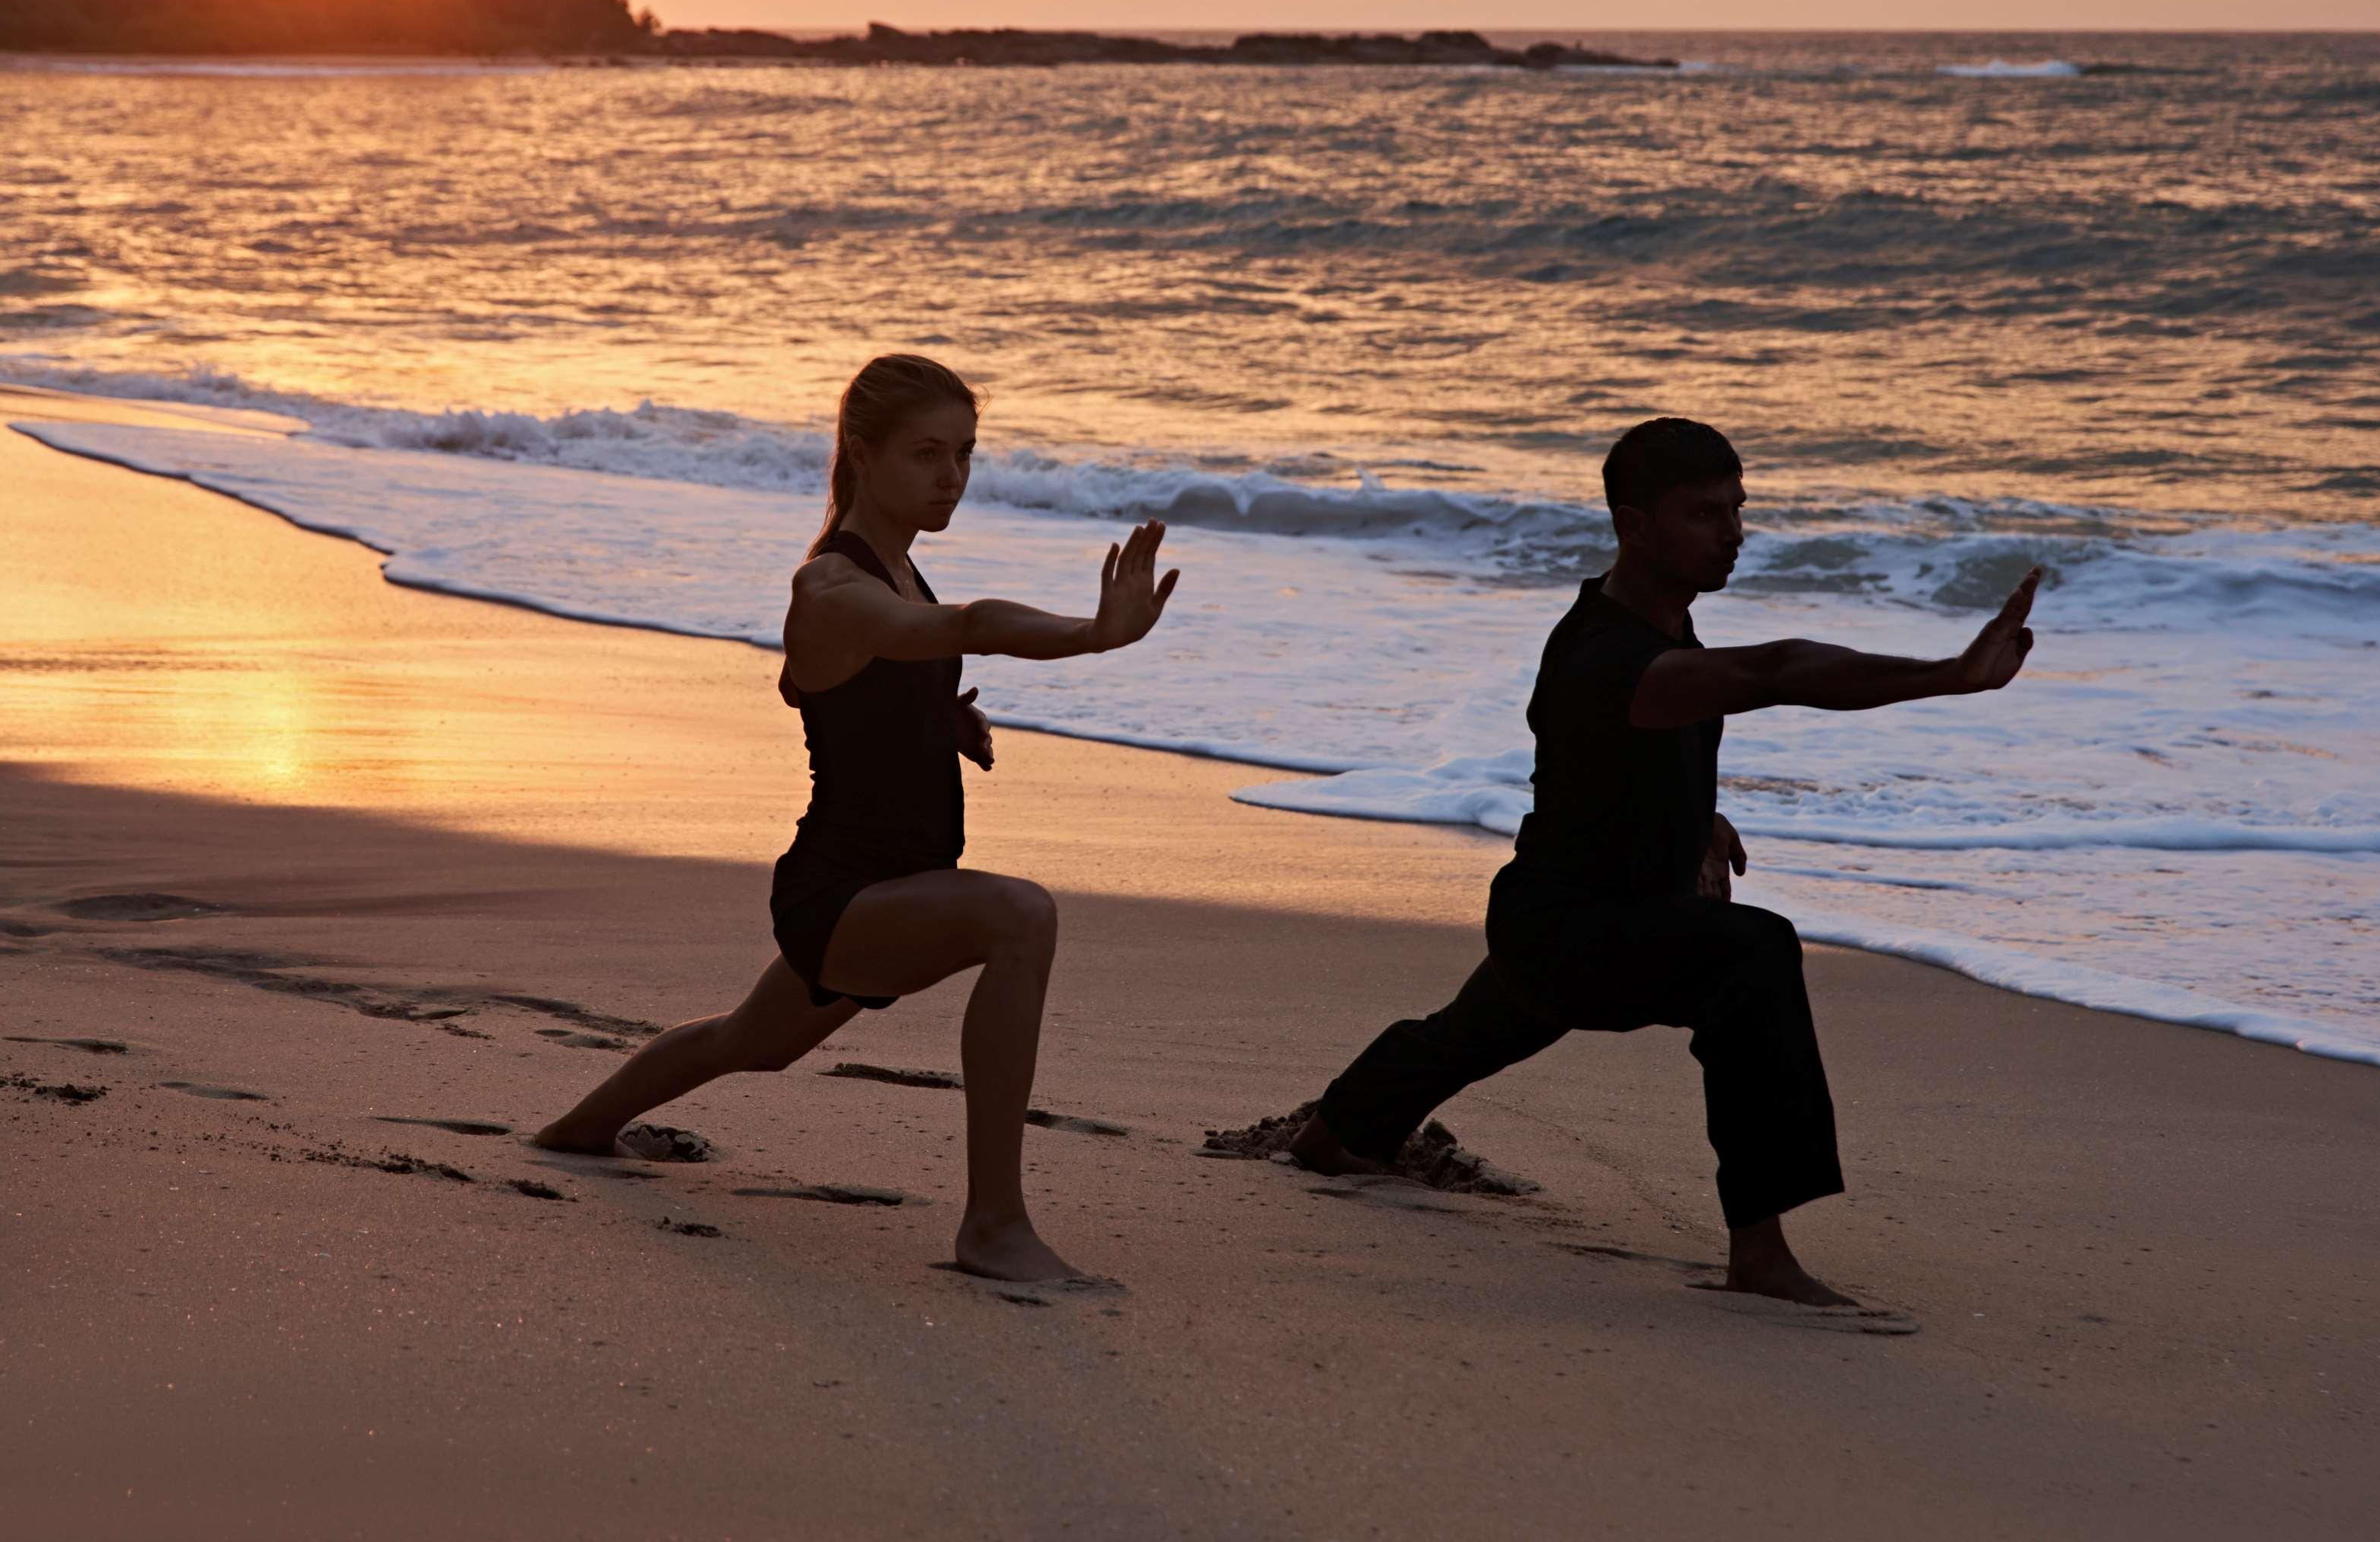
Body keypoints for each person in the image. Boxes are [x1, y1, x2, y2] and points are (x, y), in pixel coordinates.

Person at [1290, 417, 2040, 1308]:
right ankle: (1759, 1253)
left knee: (1471, 1031)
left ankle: (1334, 1132)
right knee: (1752, 952)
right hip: (1574, 927)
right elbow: (1778, 670)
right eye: (1704, 513)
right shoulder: (1610, 655)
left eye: (1738, 508)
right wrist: (1946, 673)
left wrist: (1699, 819)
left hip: (1564, 914)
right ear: (1634, 525)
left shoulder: (1657, 632)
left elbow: (1609, 763)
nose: (1732, 533)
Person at [535, 353, 1179, 1282]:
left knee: (746, 1044)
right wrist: (1088, 633)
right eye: (925, 454)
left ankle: (579, 1128)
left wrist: (941, 717)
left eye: (963, 453)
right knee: (1021, 914)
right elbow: (951, 626)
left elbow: (841, 680)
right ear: (861, 452)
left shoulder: (897, 572)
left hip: (886, 882)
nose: (950, 476)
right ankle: (994, 1225)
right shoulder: (830, 586)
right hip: (844, 893)